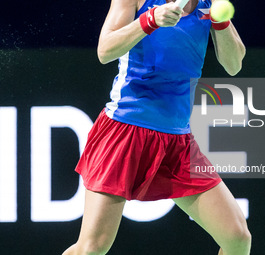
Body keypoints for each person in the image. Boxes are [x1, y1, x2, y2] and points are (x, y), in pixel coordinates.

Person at [62, 0, 251, 254]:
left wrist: (220, 20)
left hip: (178, 142)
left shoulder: (208, 4)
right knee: (91, 248)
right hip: (125, 131)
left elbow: (234, 64)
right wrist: (149, 20)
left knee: (237, 238)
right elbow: (105, 50)